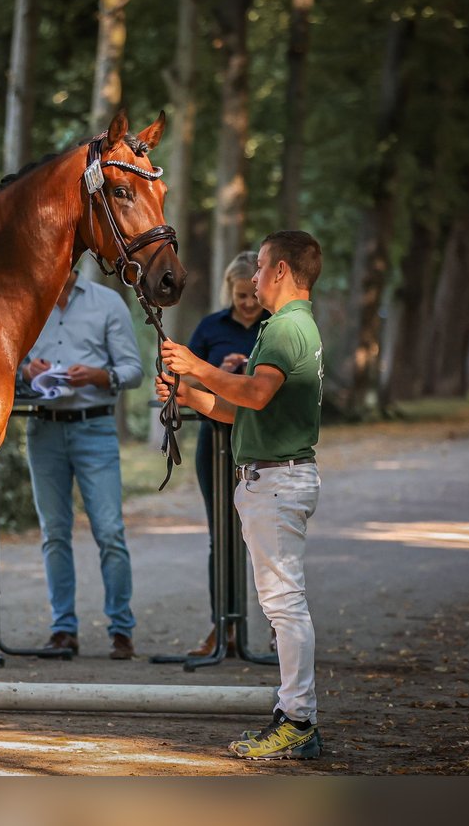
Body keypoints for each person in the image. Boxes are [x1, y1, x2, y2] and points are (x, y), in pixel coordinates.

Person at [158, 230, 325, 760]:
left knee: (284, 605)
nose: (252, 280)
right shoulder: (292, 327)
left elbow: (253, 391)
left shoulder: (282, 330)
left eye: (259, 269)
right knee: (283, 604)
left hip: (276, 481)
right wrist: (189, 393)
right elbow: (242, 410)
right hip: (272, 477)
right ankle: (295, 716)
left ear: (279, 272)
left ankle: (297, 719)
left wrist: (195, 366)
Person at [18, 269, 145, 660]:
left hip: (95, 429)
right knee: (54, 532)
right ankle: (63, 630)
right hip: (43, 429)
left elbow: (133, 370)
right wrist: (25, 369)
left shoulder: (107, 302)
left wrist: (99, 375)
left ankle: (121, 630)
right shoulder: (26, 305)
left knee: (109, 531)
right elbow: (3, 360)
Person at [184, 250, 268, 657]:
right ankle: (223, 628)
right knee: (222, 537)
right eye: (239, 297)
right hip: (214, 441)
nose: (248, 304)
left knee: (265, 538)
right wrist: (220, 369)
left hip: (260, 441)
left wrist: (250, 369)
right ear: (229, 293)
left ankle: (272, 628)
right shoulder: (210, 327)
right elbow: (184, 372)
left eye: (251, 295)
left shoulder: (276, 328)